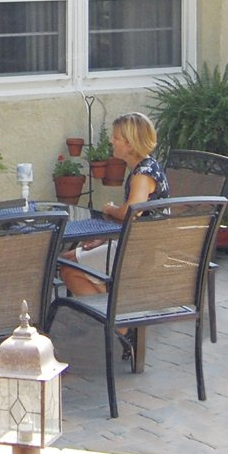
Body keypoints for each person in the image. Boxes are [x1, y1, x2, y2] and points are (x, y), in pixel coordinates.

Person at [58, 112, 171, 358]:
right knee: (68, 259)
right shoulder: (146, 166)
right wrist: (105, 238)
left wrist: (110, 209)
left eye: (117, 137)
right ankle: (121, 319)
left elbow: (132, 212)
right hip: (139, 244)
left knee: (66, 265)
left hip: (142, 251)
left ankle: (119, 324)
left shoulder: (143, 173)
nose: (112, 141)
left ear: (130, 143)